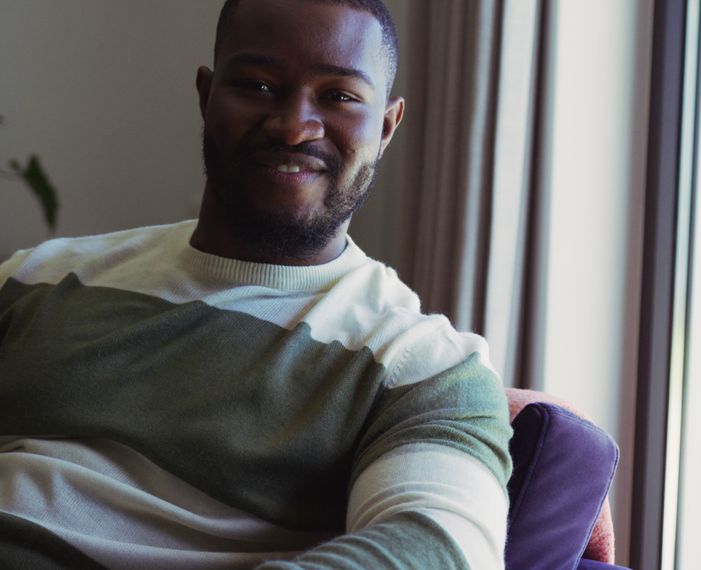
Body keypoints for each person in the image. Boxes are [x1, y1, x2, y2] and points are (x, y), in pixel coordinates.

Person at [0, 0, 512, 568]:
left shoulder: (423, 367)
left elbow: (437, 549)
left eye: (339, 95)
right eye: (259, 86)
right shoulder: (35, 277)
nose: (293, 126)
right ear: (206, 95)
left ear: (387, 125)